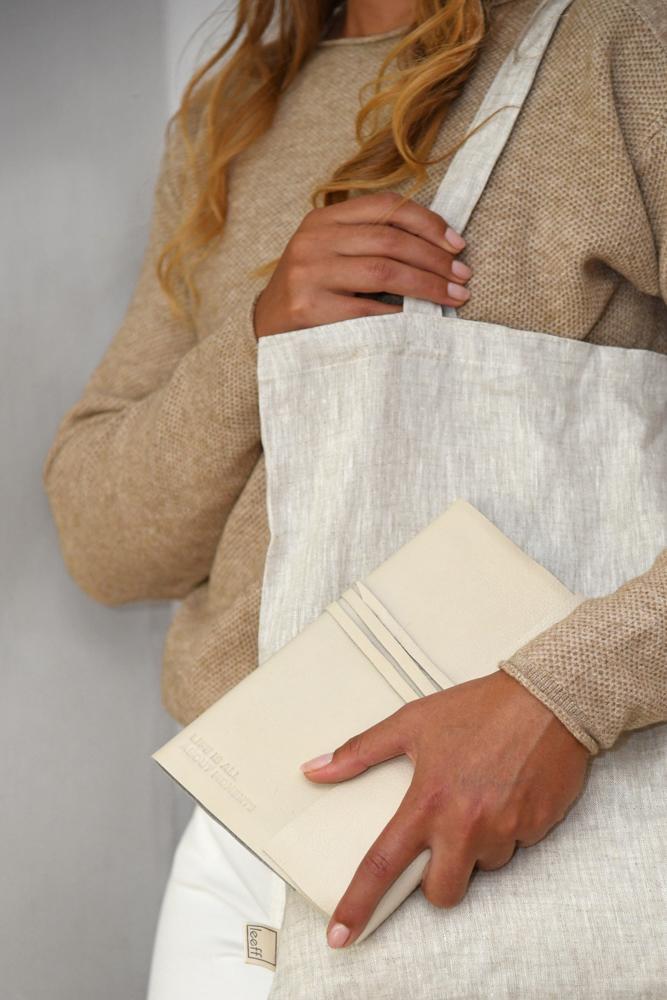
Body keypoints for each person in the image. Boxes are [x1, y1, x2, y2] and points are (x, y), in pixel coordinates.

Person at [42, 0, 667, 996]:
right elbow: (102, 543)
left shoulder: (621, 46)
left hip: (531, 837)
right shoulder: (232, 117)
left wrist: (567, 692)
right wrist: (260, 342)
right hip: (244, 856)